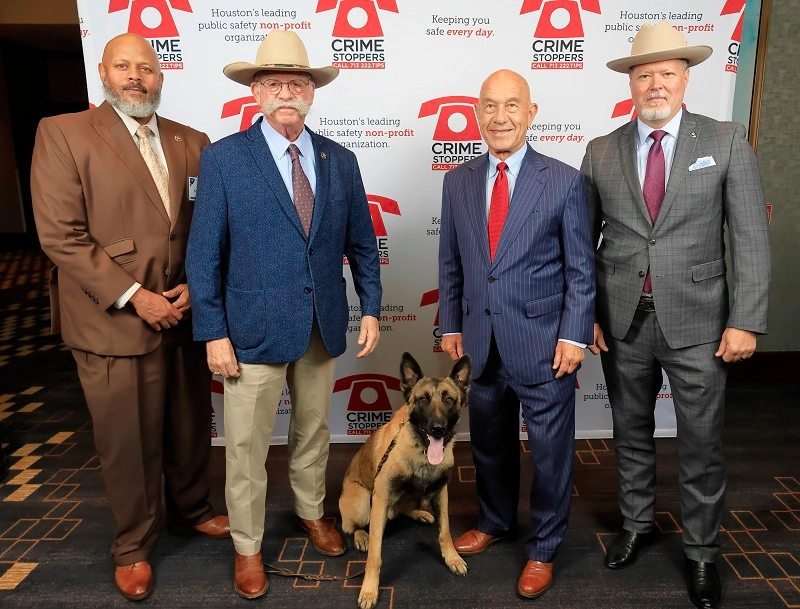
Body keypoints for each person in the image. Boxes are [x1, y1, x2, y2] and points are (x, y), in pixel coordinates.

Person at [30, 33, 230, 602]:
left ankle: (191, 509)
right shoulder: (63, 133)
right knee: (127, 439)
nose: (136, 76)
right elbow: (61, 236)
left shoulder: (194, 142)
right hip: (113, 318)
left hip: (185, 312)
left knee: (190, 424)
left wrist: (199, 282)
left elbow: (206, 226)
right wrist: (136, 295)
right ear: (104, 72)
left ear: (161, 77)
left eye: (147, 67)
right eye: (124, 67)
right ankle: (133, 547)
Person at [580, 21, 771, 609]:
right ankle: (637, 525)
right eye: (644, 74)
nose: (655, 83)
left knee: (701, 444)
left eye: (667, 73)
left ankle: (702, 553)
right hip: (621, 322)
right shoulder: (600, 150)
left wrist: (746, 319)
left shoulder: (727, 139)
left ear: (686, 80)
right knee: (630, 433)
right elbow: (582, 243)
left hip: (700, 324)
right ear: (630, 84)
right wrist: (585, 315)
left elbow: (750, 237)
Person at [186, 30, 382, 600]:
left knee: (314, 431)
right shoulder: (223, 159)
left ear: (313, 92)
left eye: (297, 83)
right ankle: (248, 546)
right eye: (273, 83)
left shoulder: (339, 160)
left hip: (321, 322)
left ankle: (311, 512)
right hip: (249, 331)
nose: (286, 92)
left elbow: (363, 244)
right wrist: (213, 332)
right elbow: (204, 257)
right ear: (255, 92)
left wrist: (370, 307)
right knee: (245, 446)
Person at [438, 69, 595, 599]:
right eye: (489, 106)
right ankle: (495, 520)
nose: (499, 116)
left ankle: (545, 546)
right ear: (477, 114)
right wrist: (452, 323)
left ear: (531, 112)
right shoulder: (457, 180)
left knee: (550, 453)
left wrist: (574, 335)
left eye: (511, 105)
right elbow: (452, 262)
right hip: (480, 344)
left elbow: (580, 269)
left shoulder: (564, 180)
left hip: (545, 344)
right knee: (488, 445)